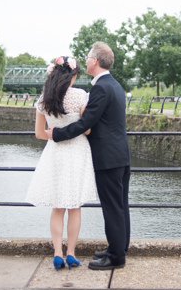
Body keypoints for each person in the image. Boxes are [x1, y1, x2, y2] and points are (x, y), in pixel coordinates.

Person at [44, 42, 131, 271]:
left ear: (95, 61)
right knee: (120, 205)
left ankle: (116, 257)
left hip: (108, 158)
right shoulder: (115, 85)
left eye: (88, 57)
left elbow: (85, 123)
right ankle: (118, 247)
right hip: (120, 154)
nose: (86, 59)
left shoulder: (102, 88)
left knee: (112, 207)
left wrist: (57, 134)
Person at [25, 55, 97, 271]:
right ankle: (71, 254)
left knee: (58, 207)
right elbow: (87, 129)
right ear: (71, 76)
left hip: (54, 153)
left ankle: (57, 254)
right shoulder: (81, 96)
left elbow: (39, 134)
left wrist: (54, 133)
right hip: (76, 152)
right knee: (74, 206)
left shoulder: (43, 99)